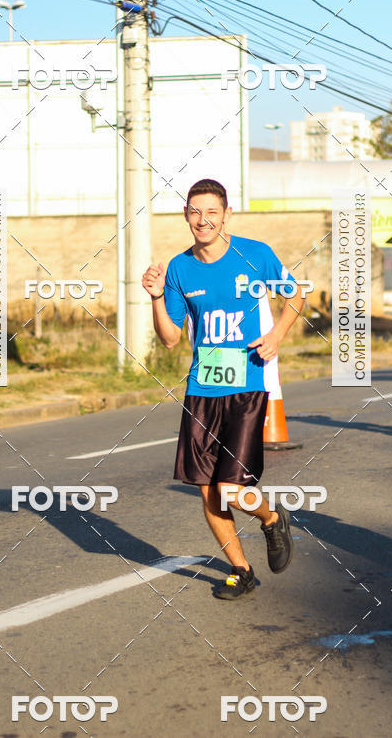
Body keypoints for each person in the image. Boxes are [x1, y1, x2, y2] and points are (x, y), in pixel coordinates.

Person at [141, 178, 304, 599]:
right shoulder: (179, 268)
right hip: (202, 389)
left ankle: (271, 519)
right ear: (186, 217)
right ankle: (241, 569)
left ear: (226, 214)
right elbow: (170, 339)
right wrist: (157, 297)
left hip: (247, 386)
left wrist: (278, 335)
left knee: (232, 490)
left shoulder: (255, 255)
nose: (203, 220)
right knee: (207, 490)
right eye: (195, 212)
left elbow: (296, 295)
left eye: (211, 212)